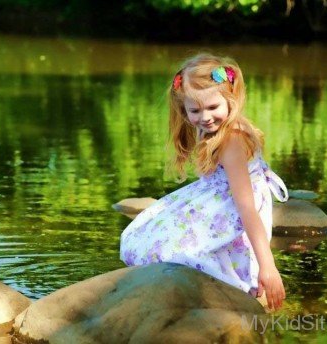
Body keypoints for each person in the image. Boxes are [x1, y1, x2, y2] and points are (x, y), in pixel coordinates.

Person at [119, 53, 289, 311]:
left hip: (233, 206)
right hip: (218, 197)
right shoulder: (213, 129)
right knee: (145, 232)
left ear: (230, 100)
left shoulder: (231, 140)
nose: (205, 117)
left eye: (212, 107)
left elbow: (246, 207)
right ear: (183, 108)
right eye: (195, 110)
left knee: (170, 250)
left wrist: (268, 267)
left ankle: (223, 286)